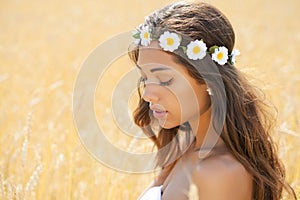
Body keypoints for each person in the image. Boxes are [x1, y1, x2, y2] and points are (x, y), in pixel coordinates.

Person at [128, 1, 296, 200]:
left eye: (165, 79)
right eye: (145, 78)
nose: (147, 94)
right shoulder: (187, 148)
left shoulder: (217, 174)